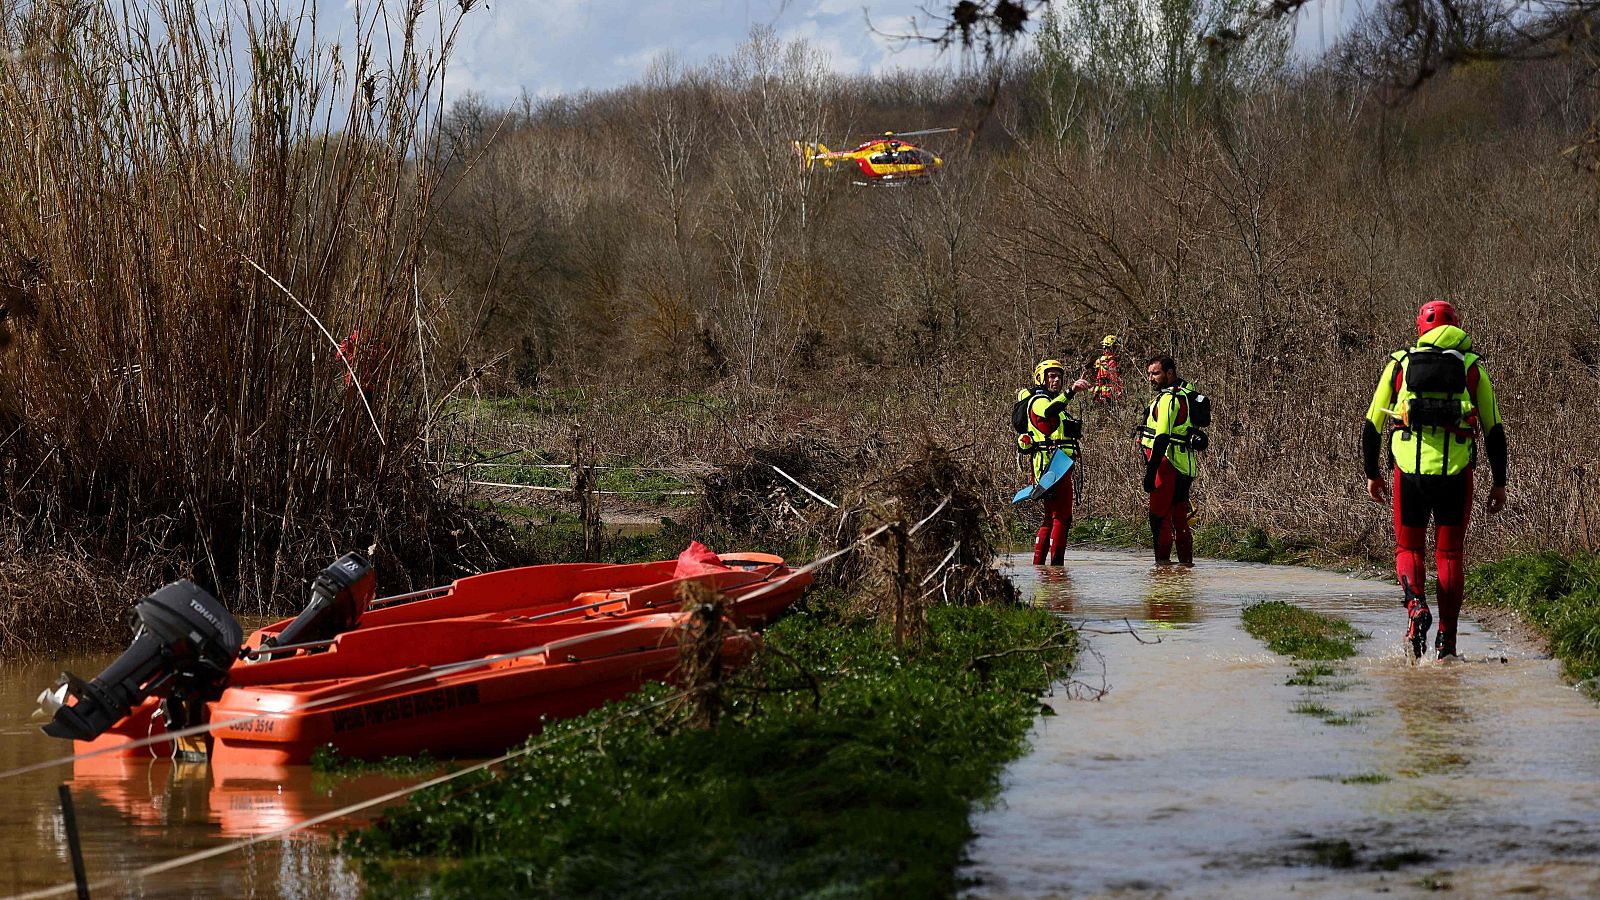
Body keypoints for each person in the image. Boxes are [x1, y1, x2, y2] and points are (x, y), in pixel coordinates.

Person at [1363, 300, 1508, 660]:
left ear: (1420, 329)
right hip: (1456, 476)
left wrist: (1372, 473)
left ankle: (1416, 607)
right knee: (1450, 554)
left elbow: (1372, 425)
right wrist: (1499, 482)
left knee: (1409, 549)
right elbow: (1494, 430)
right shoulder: (1472, 368)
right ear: (1457, 327)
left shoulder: (1400, 363)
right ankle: (1448, 642)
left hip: (1409, 474)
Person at [1017, 359, 1092, 565]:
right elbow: (1049, 411)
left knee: (1051, 517)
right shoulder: (1040, 400)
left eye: (1059, 375)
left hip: (1056, 465)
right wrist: (1071, 391)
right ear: (1041, 378)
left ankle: (1040, 567)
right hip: (1053, 467)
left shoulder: (1052, 401)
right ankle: (1057, 570)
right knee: (1062, 517)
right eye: (1052, 375)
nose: (1057, 379)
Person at [1136, 354, 1200, 566]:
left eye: (1156, 373)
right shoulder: (1186, 394)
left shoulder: (1168, 399)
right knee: (1180, 519)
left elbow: (1162, 437)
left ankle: (1162, 569)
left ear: (1170, 373)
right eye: (1148, 374)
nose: (1151, 378)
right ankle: (1186, 568)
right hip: (1185, 465)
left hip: (1166, 465)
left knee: (1159, 518)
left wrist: (1150, 472)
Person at [1090, 335, 1126, 406]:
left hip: (1108, 394)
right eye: (1105, 347)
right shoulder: (1105, 361)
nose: (1106, 349)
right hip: (1105, 395)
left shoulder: (1113, 360)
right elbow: (1097, 378)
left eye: (1107, 347)